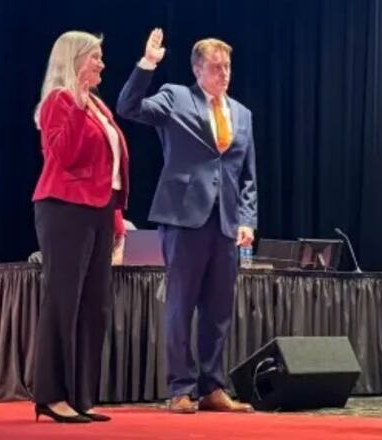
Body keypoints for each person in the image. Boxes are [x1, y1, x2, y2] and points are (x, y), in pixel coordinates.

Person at [117, 28, 257, 414]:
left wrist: (248, 219)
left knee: (218, 310)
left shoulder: (242, 114)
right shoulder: (176, 97)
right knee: (181, 305)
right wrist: (147, 64)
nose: (224, 73)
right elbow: (128, 107)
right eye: (216, 67)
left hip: (226, 223)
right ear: (197, 69)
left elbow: (248, 175)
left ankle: (213, 387)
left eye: (227, 66)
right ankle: (181, 388)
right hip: (184, 218)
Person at [31, 30, 129, 423]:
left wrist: (117, 217)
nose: (102, 65)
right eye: (95, 58)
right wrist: (77, 101)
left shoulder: (97, 106)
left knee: (94, 306)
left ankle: (82, 395)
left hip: (99, 210)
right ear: (74, 61)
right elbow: (66, 155)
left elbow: (113, 166)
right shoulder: (60, 101)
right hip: (64, 209)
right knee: (63, 301)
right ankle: (52, 396)